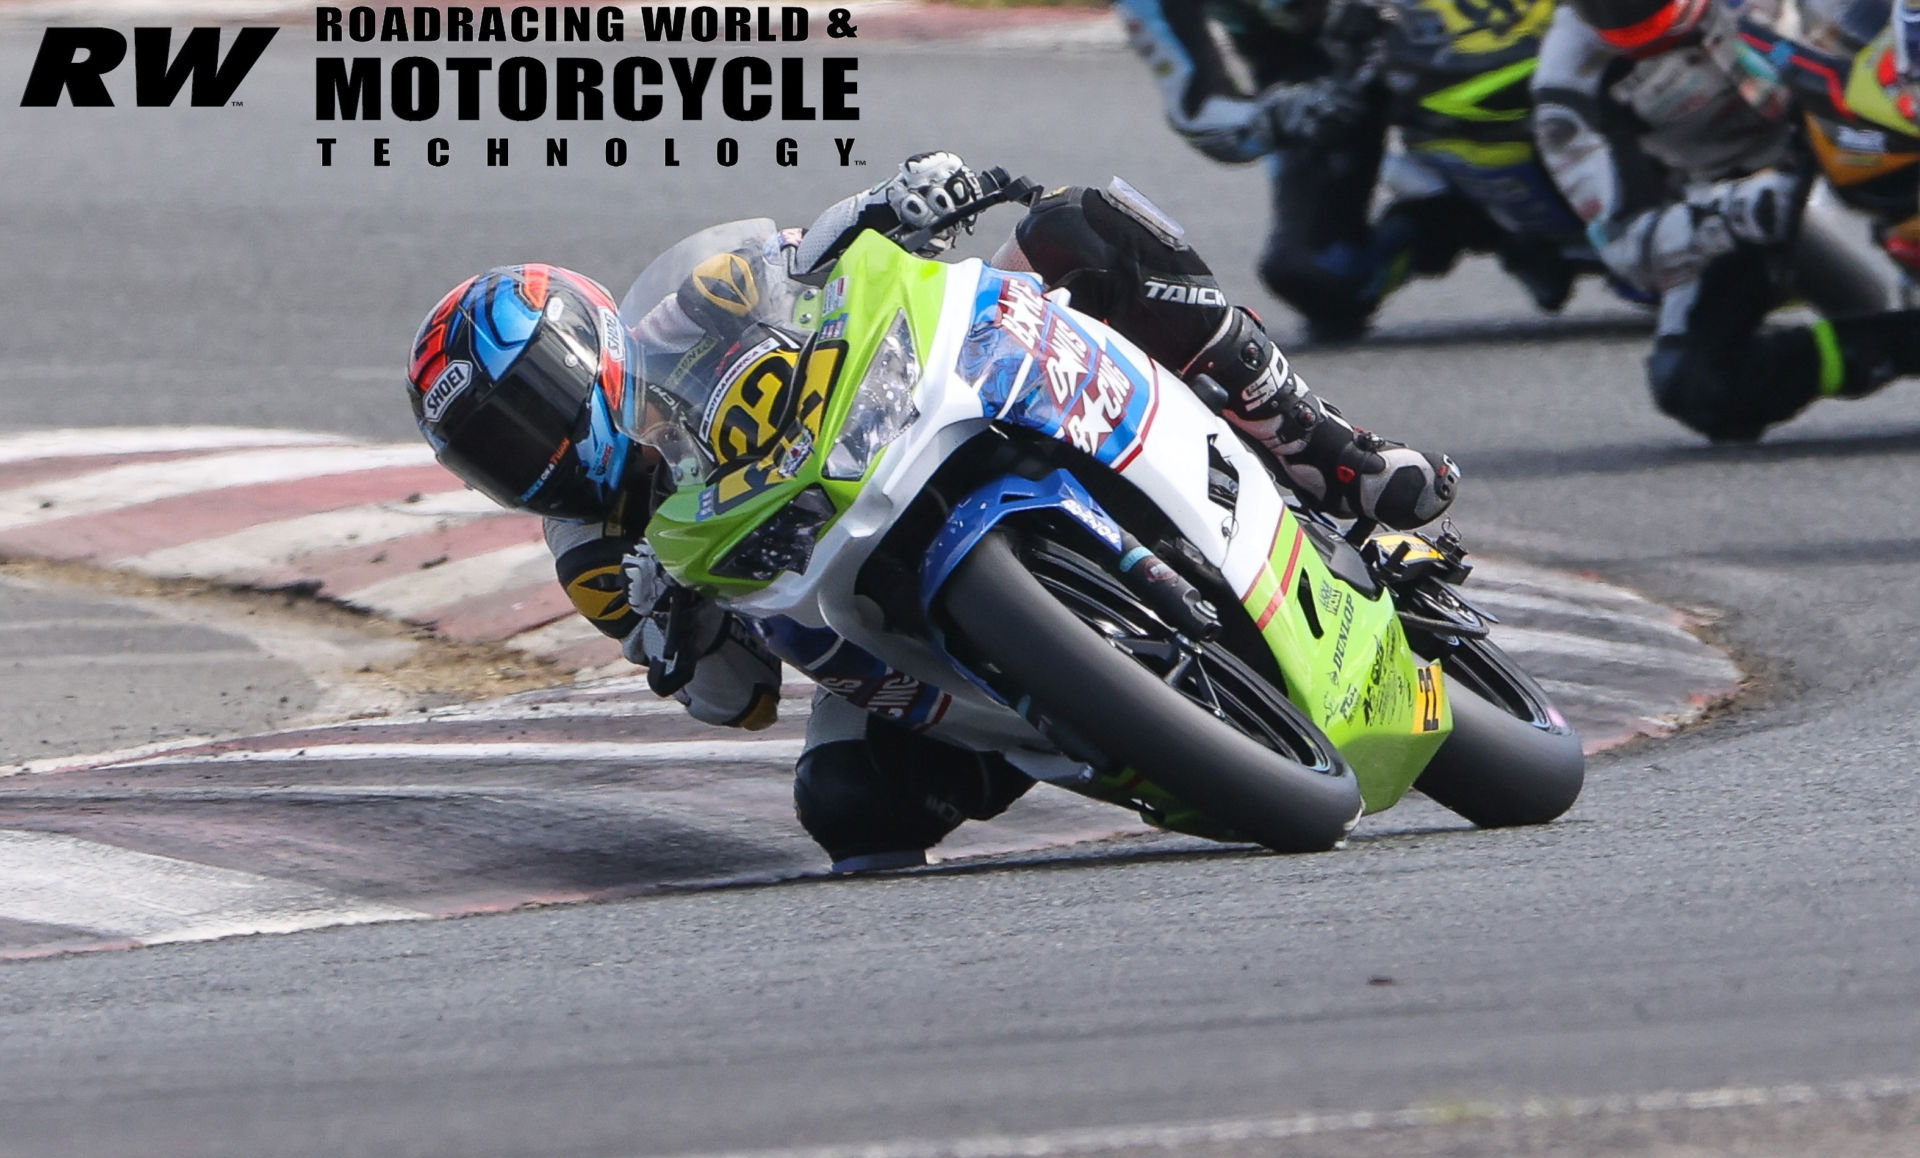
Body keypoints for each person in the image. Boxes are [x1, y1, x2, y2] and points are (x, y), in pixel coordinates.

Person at [406, 155, 1459, 871]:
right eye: (496, 454)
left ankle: (1339, 459)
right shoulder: (593, 552)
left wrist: (896, 202)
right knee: (847, 809)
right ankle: (1107, 733)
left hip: (904, 418)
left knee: (1075, 228)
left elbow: (811, 254)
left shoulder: (688, 310)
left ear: (587, 350)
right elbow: (740, 701)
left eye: (529, 411)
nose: (532, 455)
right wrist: (676, 637)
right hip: (859, 613)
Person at [1531, 0, 1920, 440]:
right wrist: (1731, 213)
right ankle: (1905, 342)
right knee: (1697, 384)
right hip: (1734, 194)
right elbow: (1625, 243)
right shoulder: (1567, 92)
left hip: (1855, 108)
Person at [1113, 0, 1593, 341]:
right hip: (1332, 80)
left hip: (1483, 22)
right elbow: (1201, 116)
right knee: (1316, 275)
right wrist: (1289, 112)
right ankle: (1454, 217)